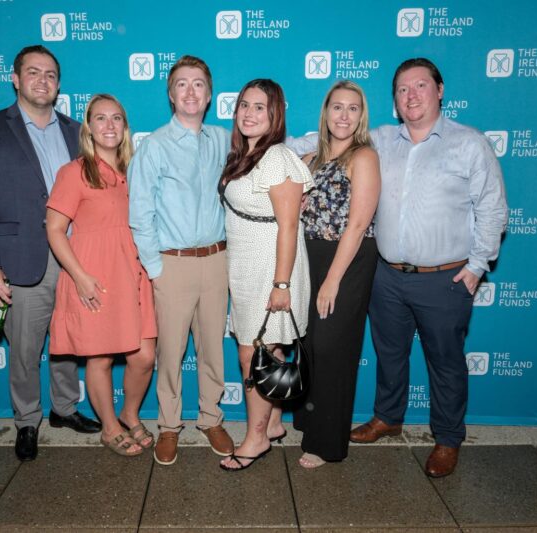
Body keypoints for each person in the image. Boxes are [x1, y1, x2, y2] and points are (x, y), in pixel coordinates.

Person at [350, 58, 508, 478]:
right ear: (395, 100)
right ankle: (387, 417)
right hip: (386, 276)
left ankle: (448, 437)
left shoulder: (469, 143)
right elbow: (330, 137)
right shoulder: (380, 140)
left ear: (439, 91)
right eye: (402, 89)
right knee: (389, 353)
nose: (411, 95)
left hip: (445, 279)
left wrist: (477, 266)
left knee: (446, 362)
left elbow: (492, 208)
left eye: (420, 85)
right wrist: (271, 144)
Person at [0, 45, 101, 462]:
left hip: (73, 256)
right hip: (19, 259)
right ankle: (26, 420)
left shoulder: (76, 131)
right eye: (34, 72)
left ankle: (64, 408)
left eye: (50, 74)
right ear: (15, 78)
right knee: (24, 348)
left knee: (68, 338)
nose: (43, 80)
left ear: (59, 84)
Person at [128, 55, 234, 465]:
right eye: (182, 84)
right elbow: (140, 214)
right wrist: (156, 270)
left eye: (198, 84)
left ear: (209, 95)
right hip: (171, 264)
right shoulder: (154, 146)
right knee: (170, 353)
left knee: (213, 349)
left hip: (217, 260)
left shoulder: (224, 139)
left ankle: (211, 418)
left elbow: (267, 147)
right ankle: (169, 425)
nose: (191, 91)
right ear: (171, 95)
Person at [46, 94, 156, 457]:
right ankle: (109, 428)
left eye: (116, 118)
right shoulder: (74, 172)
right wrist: (80, 277)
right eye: (101, 118)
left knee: (144, 356)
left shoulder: (135, 171)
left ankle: (129, 413)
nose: (109, 125)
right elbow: (55, 230)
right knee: (101, 358)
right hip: (95, 275)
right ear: (88, 128)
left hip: (134, 273)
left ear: (125, 126)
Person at [218, 79, 313, 471]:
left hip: (271, 270)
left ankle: (255, 439)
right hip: (247, 267)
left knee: (252, 353)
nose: (249, 113)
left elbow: (289, 226)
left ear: (276, 115)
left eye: (260, 107)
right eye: (244, 105)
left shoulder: (277, 157)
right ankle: (272, 423)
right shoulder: (246, 154)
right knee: (268, 350)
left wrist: (281, 284)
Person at [293, 81, 380, 469]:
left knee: (332, 348)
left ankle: (327, 443)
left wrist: (332, 280)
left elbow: (358, 224)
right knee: (310, 344)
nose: (344, 115)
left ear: (361, 116)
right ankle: (309, 420)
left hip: (346, 259)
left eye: (353, 108)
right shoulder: (311, 158)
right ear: (325, 112)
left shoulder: (363, 157)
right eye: (337, 107)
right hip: (310, 255)